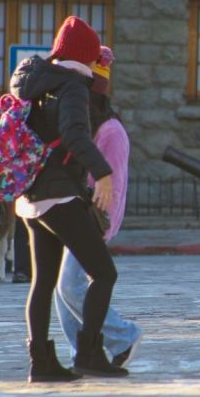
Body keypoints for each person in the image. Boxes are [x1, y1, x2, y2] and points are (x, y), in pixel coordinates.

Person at [12, 15, 127, 381]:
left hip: (31, 196)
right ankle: (90, 353)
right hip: (59, 195)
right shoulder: (73, 87)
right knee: (104, 273)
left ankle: (41, 363)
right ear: (83, 56)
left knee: (42, 281)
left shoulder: (36, 82)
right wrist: (104, 174)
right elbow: (76, 136)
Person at [54, 46, 143, 368]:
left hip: (91, 219)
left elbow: (113, 189)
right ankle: (82, 353)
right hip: (66, 213)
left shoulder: (111, 131)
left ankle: (123, 335)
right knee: (63, 289)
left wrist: (102, 226)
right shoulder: (79, 126)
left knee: (69, 285)